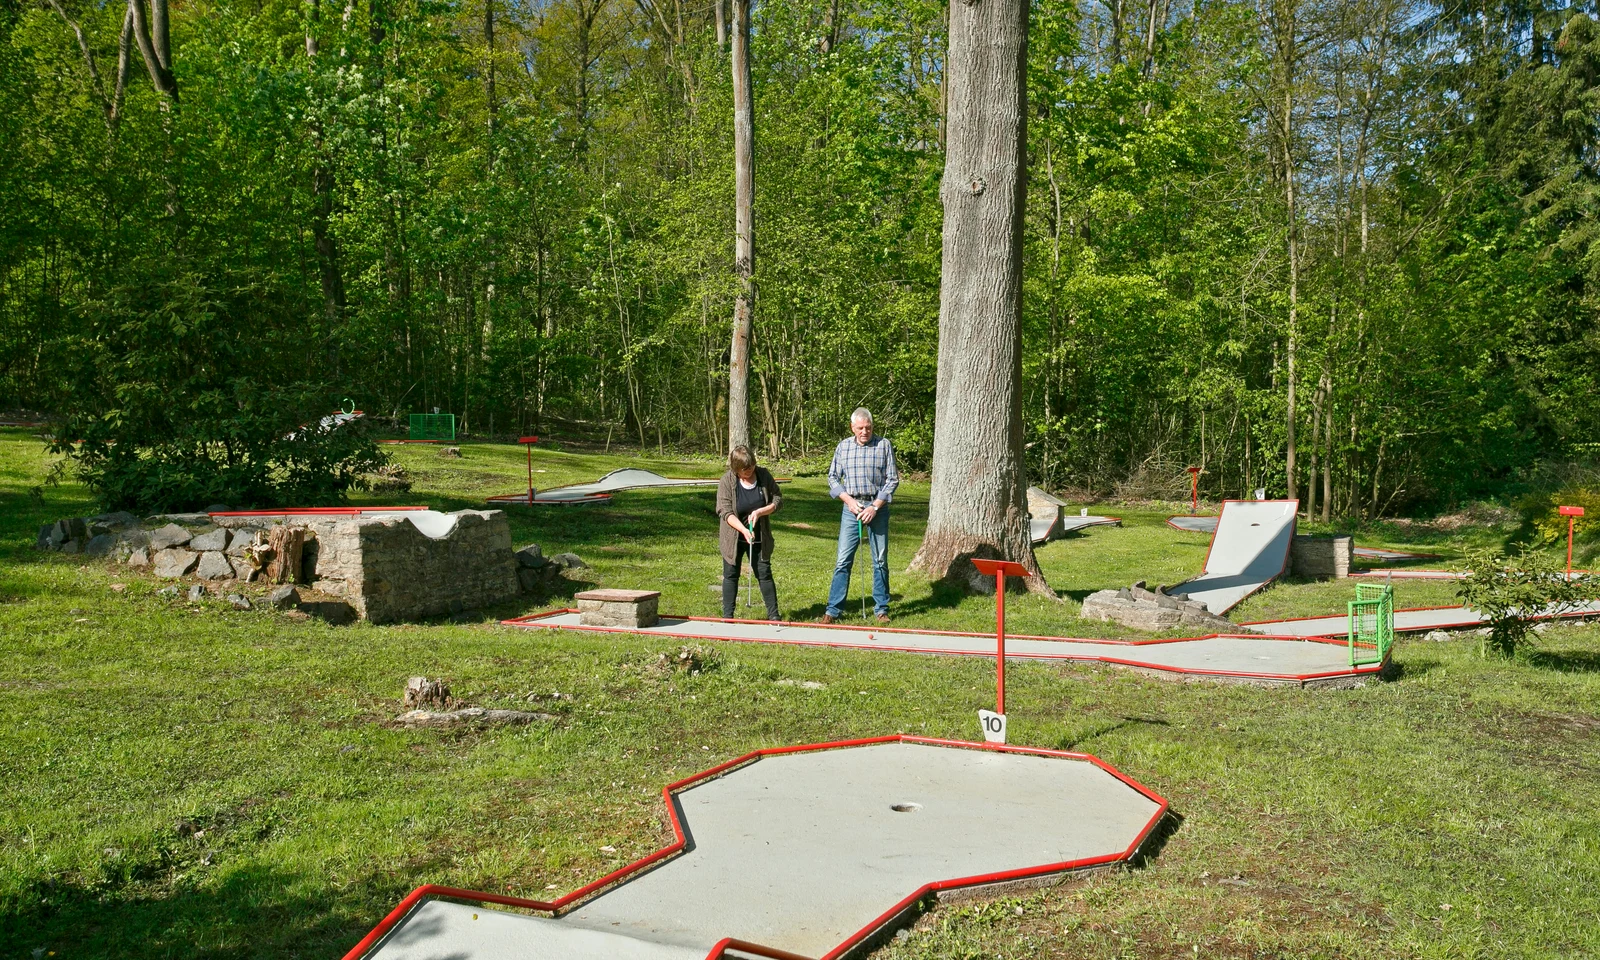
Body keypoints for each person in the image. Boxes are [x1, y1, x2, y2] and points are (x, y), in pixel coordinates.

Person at [823, 408, 899, 623]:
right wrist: (847, 500)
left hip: (877, 508)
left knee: (880, 560)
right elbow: (833, 478)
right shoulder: (843, 447)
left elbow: (892, 479)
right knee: (843, 560)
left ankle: (881, 609)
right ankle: (833, 610)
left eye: (868, 427)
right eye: (860, 428)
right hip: (852, 508)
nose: (865, 431)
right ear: (852, 428)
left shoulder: (883, 445)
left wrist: (874, 507)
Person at [716, 445, 782, 620]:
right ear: (736, 469)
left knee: (764, 573)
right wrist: (744, 530)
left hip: (760, 536)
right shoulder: (726, 481)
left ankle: (774, 616)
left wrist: (761, 512)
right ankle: (728, 616)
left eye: (751, 466)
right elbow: (725, 512)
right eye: (745, 470)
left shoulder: (763, 475)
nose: (750, 471)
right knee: (731, 574)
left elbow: (778, 499)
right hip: (734, 536)